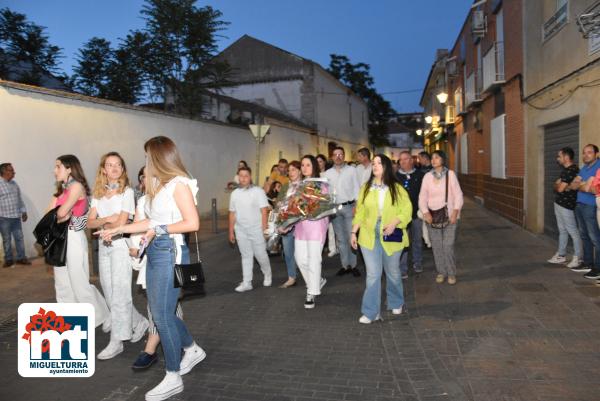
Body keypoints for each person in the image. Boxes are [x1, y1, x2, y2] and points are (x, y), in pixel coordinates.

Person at [99, 136, 204, 401]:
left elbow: (192, 222)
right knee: (163, 313)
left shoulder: (179, 184)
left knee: (162, 316)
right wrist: (121, 228)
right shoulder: (161, 186)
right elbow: (148, 220)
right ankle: (191, 349)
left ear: (158, 157)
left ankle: (173, 376)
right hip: (157, 251)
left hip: (171, 251)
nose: (145, 161)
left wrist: (159, 229)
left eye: (148, 156)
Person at [87, 152, 149, 360]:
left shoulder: (127, 192)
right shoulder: (98, 193)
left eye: (118, 165)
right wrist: (109, 219)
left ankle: (117, 341)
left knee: (121, 294)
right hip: (103, 247)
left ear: (122, 169)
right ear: (103, 169)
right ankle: (139, 322)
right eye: (109, 165)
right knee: (111, 293)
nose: (114, 168)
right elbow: (89, 222)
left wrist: (106, 221)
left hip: (120, 245)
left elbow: (121, 223)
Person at [351, 154, 411, 323]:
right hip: (369, 234)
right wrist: (353, 232)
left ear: (386, 166)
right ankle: (371, 312)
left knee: (392, 272)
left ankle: (396, 302)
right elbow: (360, 212)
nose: (375, 165)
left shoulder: (396, 187)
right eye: (373, 163)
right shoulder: (366, 188)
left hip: (391, 232)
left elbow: (407, 209)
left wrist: (395, 222)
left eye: (379, 163)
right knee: (373, 274)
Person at [128, 193, 185, 371]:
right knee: (164, 306)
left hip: (169, 255)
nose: (148, 178)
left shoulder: (174, 192)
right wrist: (136, 246)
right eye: (144, 176)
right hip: (149, 257)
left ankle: (153, 350)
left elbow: (188, 223)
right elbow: (138, 227)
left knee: (160, 309)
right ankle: (186, 344)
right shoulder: (143, 200)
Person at [51, 155, 109, 326]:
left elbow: (60, 214)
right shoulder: (63, 189)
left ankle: (102, 316)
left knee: (79, 282)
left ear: (69, 168)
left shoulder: (77, 186)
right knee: (62, 283)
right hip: (59, 238)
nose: (55, 171)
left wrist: (60, 214)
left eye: (58, 167)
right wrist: (60, 214)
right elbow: (52, 214)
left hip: (73, 237)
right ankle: (69, 319)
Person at [419, 150, 464, 285]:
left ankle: (451, 273)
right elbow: (422, 196)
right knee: (437, 246)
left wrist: (456, 212)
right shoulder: (427, 176)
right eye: (432, 158)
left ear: (443, 160)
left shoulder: (450, 175)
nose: (433, 160)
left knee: (448, 245)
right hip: (432, 217)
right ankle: (441, 272)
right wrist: (425, 212)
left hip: (450, 216)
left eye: (437, 157)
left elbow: (458, 195)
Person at [229, 166, 272, 292]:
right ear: (238, 177)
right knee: (246, 255)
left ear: (250, 177)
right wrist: (231, 231)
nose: (243, 178)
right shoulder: (234, 194)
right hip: (241, 230)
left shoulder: (258, 191)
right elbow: (232, 213)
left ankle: (267, 273)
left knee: (260, 255)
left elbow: (264, 211)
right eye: (241, 176)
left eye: (246, 176)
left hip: (256, 229)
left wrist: (264, 229)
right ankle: (247, 282)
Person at [293, 155, 329, 309]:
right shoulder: (297, 185)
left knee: (314, 260)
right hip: (301, 228)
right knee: (300, 259)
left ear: (314, 166)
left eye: (308, 165)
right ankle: (316, 281)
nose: (305, 168)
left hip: (316, 227)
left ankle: (311, 292)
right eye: (302, 165)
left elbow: (326, 204)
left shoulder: (322, 185)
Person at [324, 146, 361, 277]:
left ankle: (354, 265)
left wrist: (357, 205)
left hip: (349, 207)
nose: (338, 157)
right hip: (335, 209)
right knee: (340, 239)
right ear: (332, 157)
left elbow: (357, 187)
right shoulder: (327, 173)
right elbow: (326, 193)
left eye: (341, 154)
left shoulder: (352, 170)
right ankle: (345, 265)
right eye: (335, 154)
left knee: (351, 236)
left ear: (344, 156)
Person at [547, 147, 582, 268]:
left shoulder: (570, 170)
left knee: (573, 231)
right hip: (559, 203)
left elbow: (560, 188)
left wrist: (560, 185)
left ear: (566, 157)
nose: (557, 159)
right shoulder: (566, 170)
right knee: (562, 230)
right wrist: (559, 185)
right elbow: (556, 185)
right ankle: (561, 255)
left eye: (559, 156)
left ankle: (577, 257)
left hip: (566, 206)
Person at [569, 144, 600, 279]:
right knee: (584, 236)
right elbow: (573, 185)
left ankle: (598, 268)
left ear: (596, 154)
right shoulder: (584, 168)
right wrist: (586, 184)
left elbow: (594, 189)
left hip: (591, 206)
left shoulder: (598, 167)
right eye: (584, 153)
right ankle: (588, 263)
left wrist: (583, 185)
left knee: (595, 238)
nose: (585, 155)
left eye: (589, 152)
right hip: (580, 205)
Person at [396, 151, 425, 277]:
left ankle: (417, 262)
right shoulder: (395, 176)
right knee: (403, 241)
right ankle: (403, 268)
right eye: (400, 160)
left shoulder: (420, 175)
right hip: (401, 216)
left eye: (405, 159)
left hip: (416, 214)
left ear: (411, 160)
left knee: (417, 240)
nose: (402, 161)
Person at [276, 161, 302, 288]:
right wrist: (280, 205)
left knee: (303, 253)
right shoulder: (286, 186)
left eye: (293, 170)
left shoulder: (305, 185)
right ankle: (291, 277)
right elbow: (278, 202)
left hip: (301, 224)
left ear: (299, 171)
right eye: (289, 170)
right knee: (288, 251)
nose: (291, 172)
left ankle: (310, 276)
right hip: (286, 223)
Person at [0, 163, 30, 267]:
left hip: (16, 217)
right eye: (11, 170)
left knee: (19, 238)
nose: (13, 172)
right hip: (4, 218)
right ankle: (8, 260)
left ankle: (21, 258)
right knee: (6, 239)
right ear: (4, 172)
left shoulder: (14, 184)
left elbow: (19, 199)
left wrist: (24, 211)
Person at [317, 154, 337, 257]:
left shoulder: (328, 173)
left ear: (324, 162)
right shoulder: (315, 174)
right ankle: (320, 247)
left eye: (320, 161)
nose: (319, 163)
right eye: (317, 162)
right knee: (320, 227)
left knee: (331, 227)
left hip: (328, 201)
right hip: (318, 203)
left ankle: (332, 248)